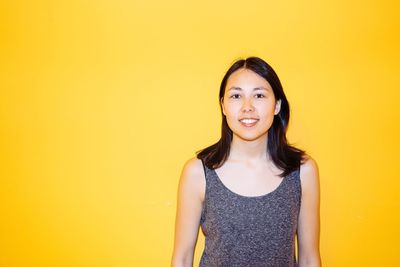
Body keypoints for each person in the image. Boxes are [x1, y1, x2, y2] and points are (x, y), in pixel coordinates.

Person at [171, 56, 321, 267]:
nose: (247, 107)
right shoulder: (198, 172)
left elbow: (309, 258)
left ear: (276, 105)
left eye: (259, 95)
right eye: (236, 96)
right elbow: (182, 258)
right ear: (223, 106)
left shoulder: (303, 171)